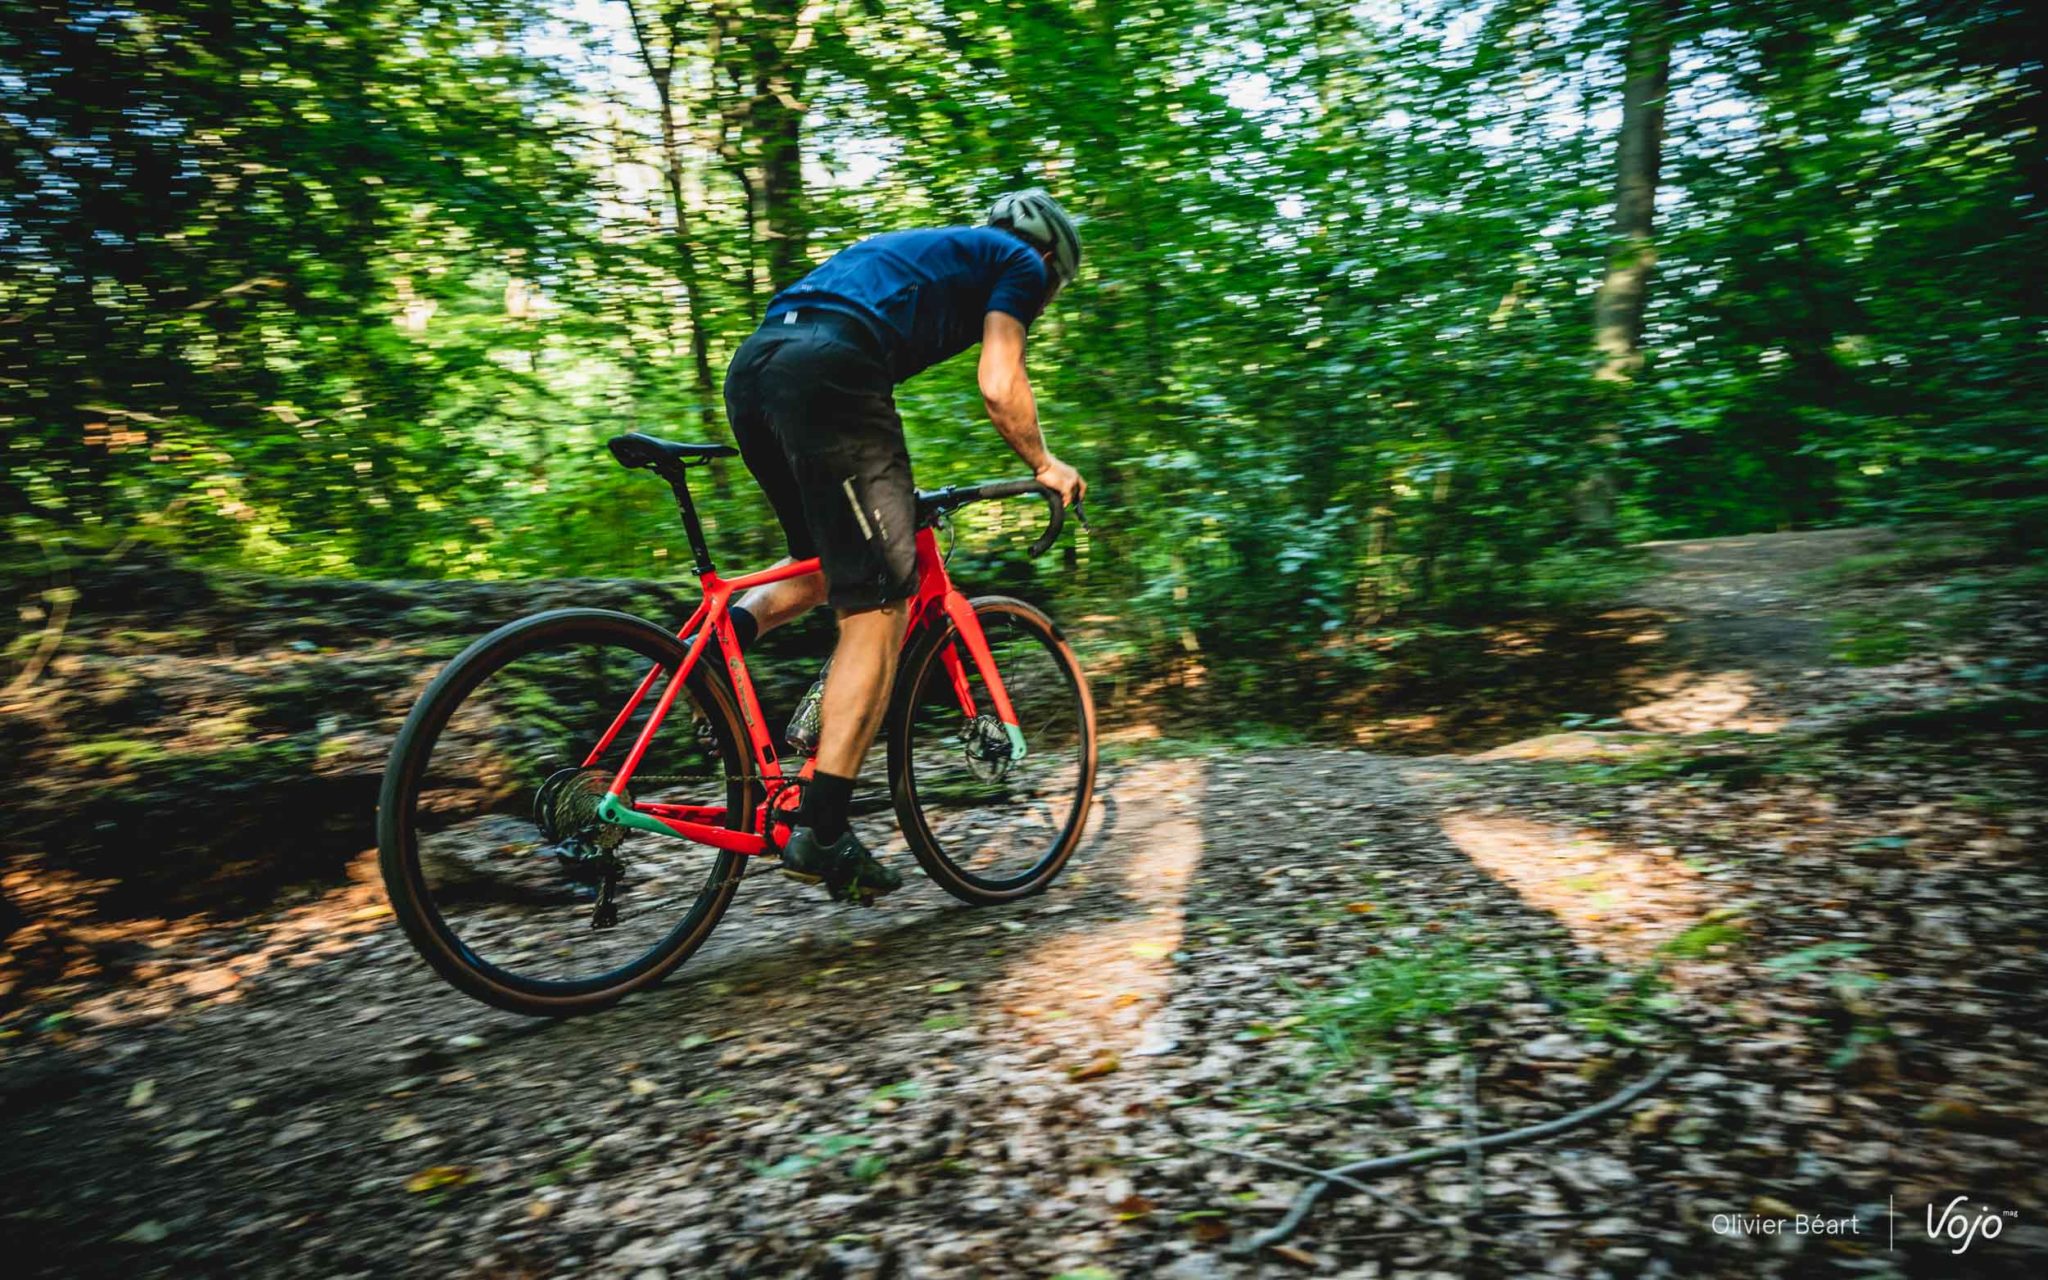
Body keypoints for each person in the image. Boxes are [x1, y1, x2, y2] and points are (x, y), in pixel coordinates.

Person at [720, 189, 1087, 904]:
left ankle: (706, 661)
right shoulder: (1018, 262)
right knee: (881, 604)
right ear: (1048, 260)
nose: (1044, 302)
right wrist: (1045, 464)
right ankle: (823, 830)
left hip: (758, 366)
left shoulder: (942, 250)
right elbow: (999, 384)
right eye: (1054, 290)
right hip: (829, 371)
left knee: (824, 569)